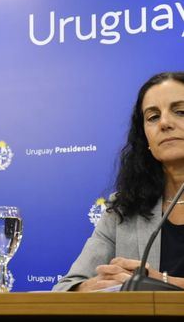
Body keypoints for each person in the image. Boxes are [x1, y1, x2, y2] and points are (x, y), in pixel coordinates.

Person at [53, 72, 184, 291]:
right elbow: (66, 287)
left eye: (180, 111)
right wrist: (95, 286)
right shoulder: (124, 207)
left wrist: (159, 282)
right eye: (152, 117)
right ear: (146, 139)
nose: (164, 123)